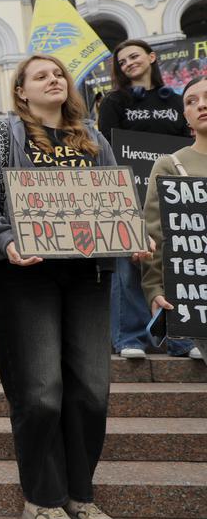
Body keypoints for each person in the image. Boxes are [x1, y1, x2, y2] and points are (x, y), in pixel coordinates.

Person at [0, 55, 148, 519]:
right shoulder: (3, 137)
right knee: (41, 393)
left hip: (89, 275)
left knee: (92, 390)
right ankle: (43, 500)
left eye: (58, 74)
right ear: (22, 92)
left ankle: (81, 497)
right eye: (41, 75)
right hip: (27, 278)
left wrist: (131, 234)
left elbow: (119, 201)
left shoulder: (93, 138)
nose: (54, 79)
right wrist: (7, 241)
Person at [97, 39, 194, 360]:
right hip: (128, 191)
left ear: (152, 58)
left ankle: (181, 337)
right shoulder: (115, 101)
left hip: (173, 190)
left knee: (175, 257)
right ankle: (130, 336)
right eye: (122, 62)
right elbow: (107, 147)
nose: (129, 64)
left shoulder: (178, 101)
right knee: (128, 262)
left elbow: (187, 142)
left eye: (134, 57)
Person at [143, 76, 207, 364]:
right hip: (200, 293)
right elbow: (154, 233)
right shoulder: (170, 165)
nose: (201, 105)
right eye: (191, 102)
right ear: (186, 118)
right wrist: (154, 288)